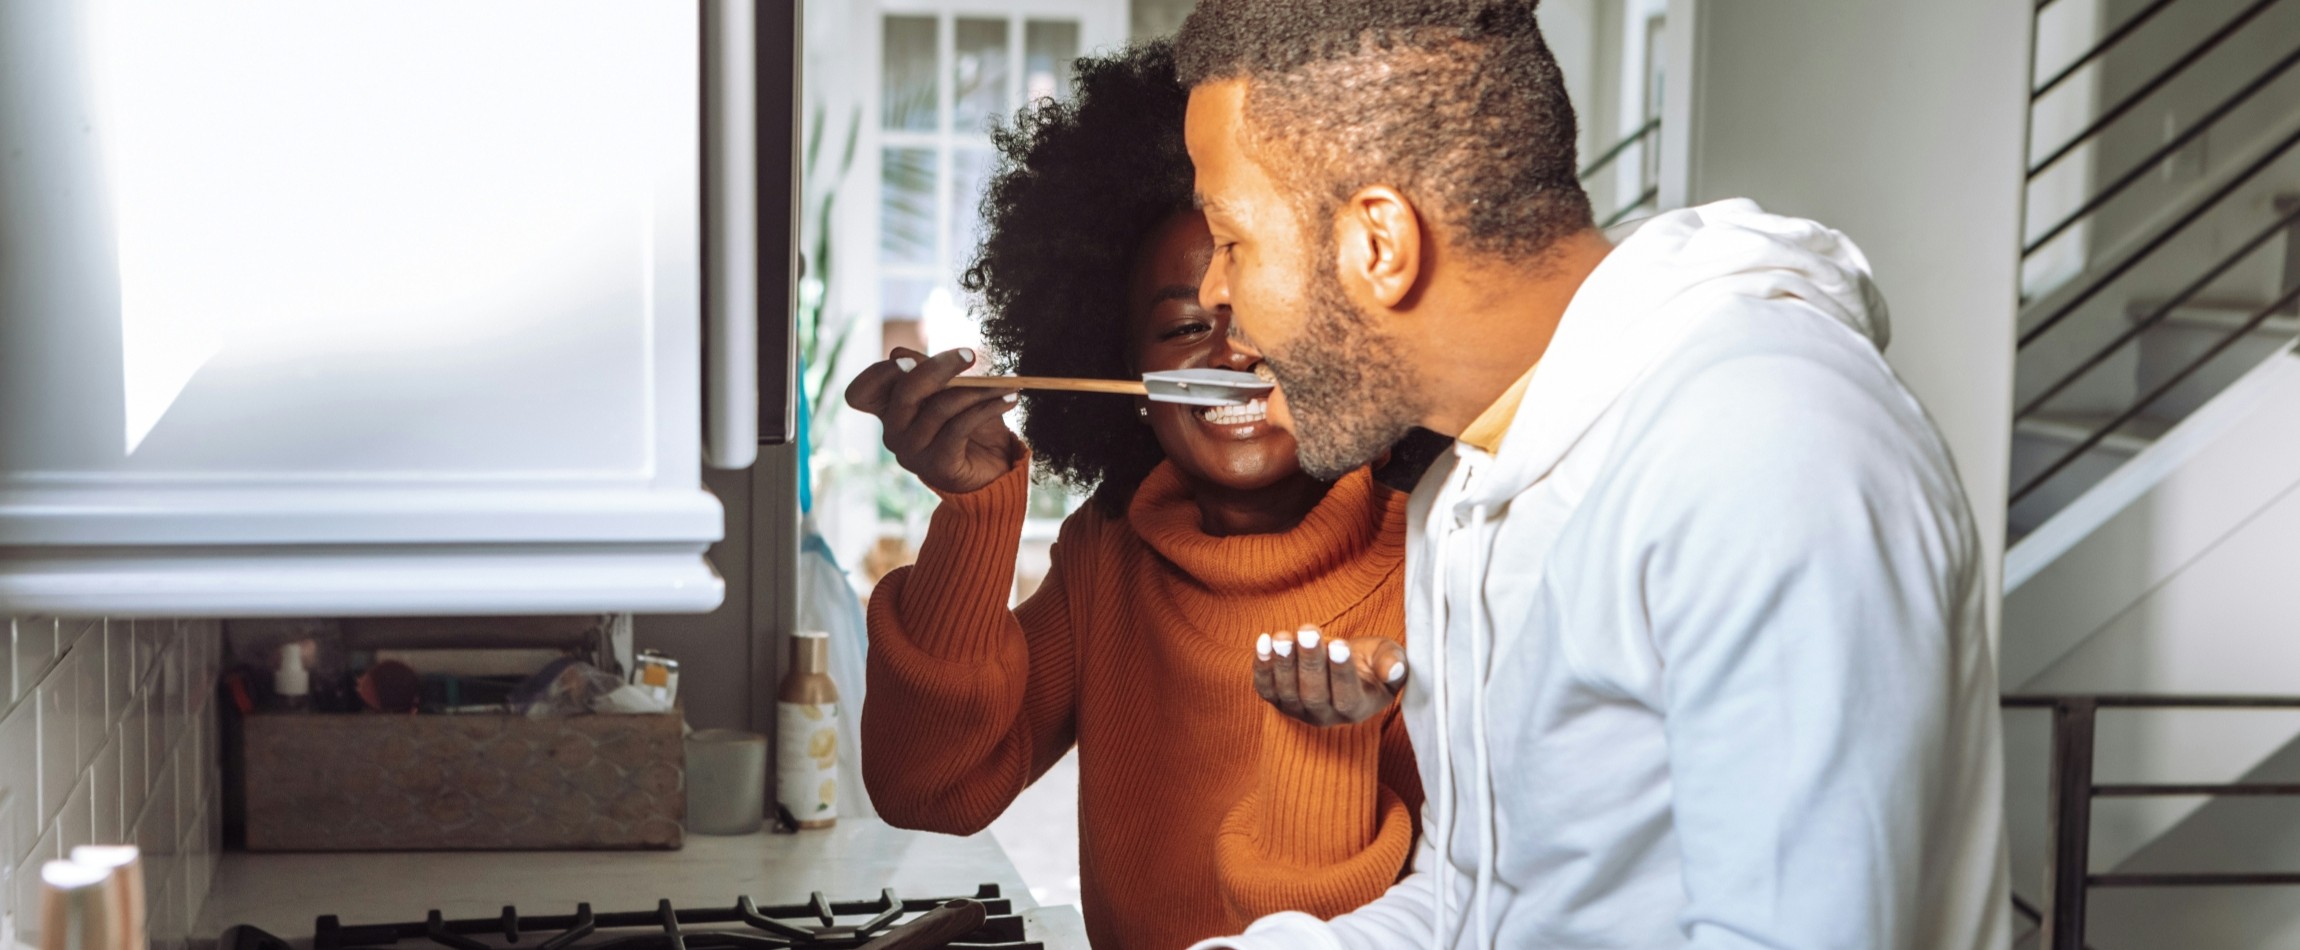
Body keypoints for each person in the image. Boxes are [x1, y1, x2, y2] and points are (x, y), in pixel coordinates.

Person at [1171, 2, 2013, 948]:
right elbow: (1481, 909)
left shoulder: (1764, 442)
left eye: (1232, 240)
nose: (1213, 291)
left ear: (1378, 244)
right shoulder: (1466, 490)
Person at [844, 41, 1422, 950]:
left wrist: (1327, 744)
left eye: (1271, 308)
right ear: (1127, 376)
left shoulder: (1439, 564)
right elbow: (931, 787)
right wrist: (977, 510)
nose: (1233, 356)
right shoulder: (1109, 555)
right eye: (1186, 326)